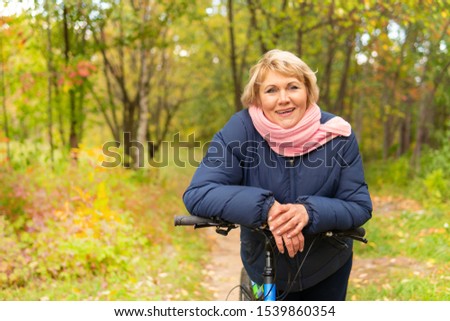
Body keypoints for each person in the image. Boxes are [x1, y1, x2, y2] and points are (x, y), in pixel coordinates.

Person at [183, 49, 372, 301]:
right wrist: (267, 209)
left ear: (308, 91)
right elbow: (199, 193)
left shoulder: (337, 133)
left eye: (293, 87)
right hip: (263, 264)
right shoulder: (241, 130)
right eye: (271, 90)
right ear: (257, 98)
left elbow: (358, 205)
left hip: (327, 266)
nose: (283, 99)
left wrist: (308, 212)